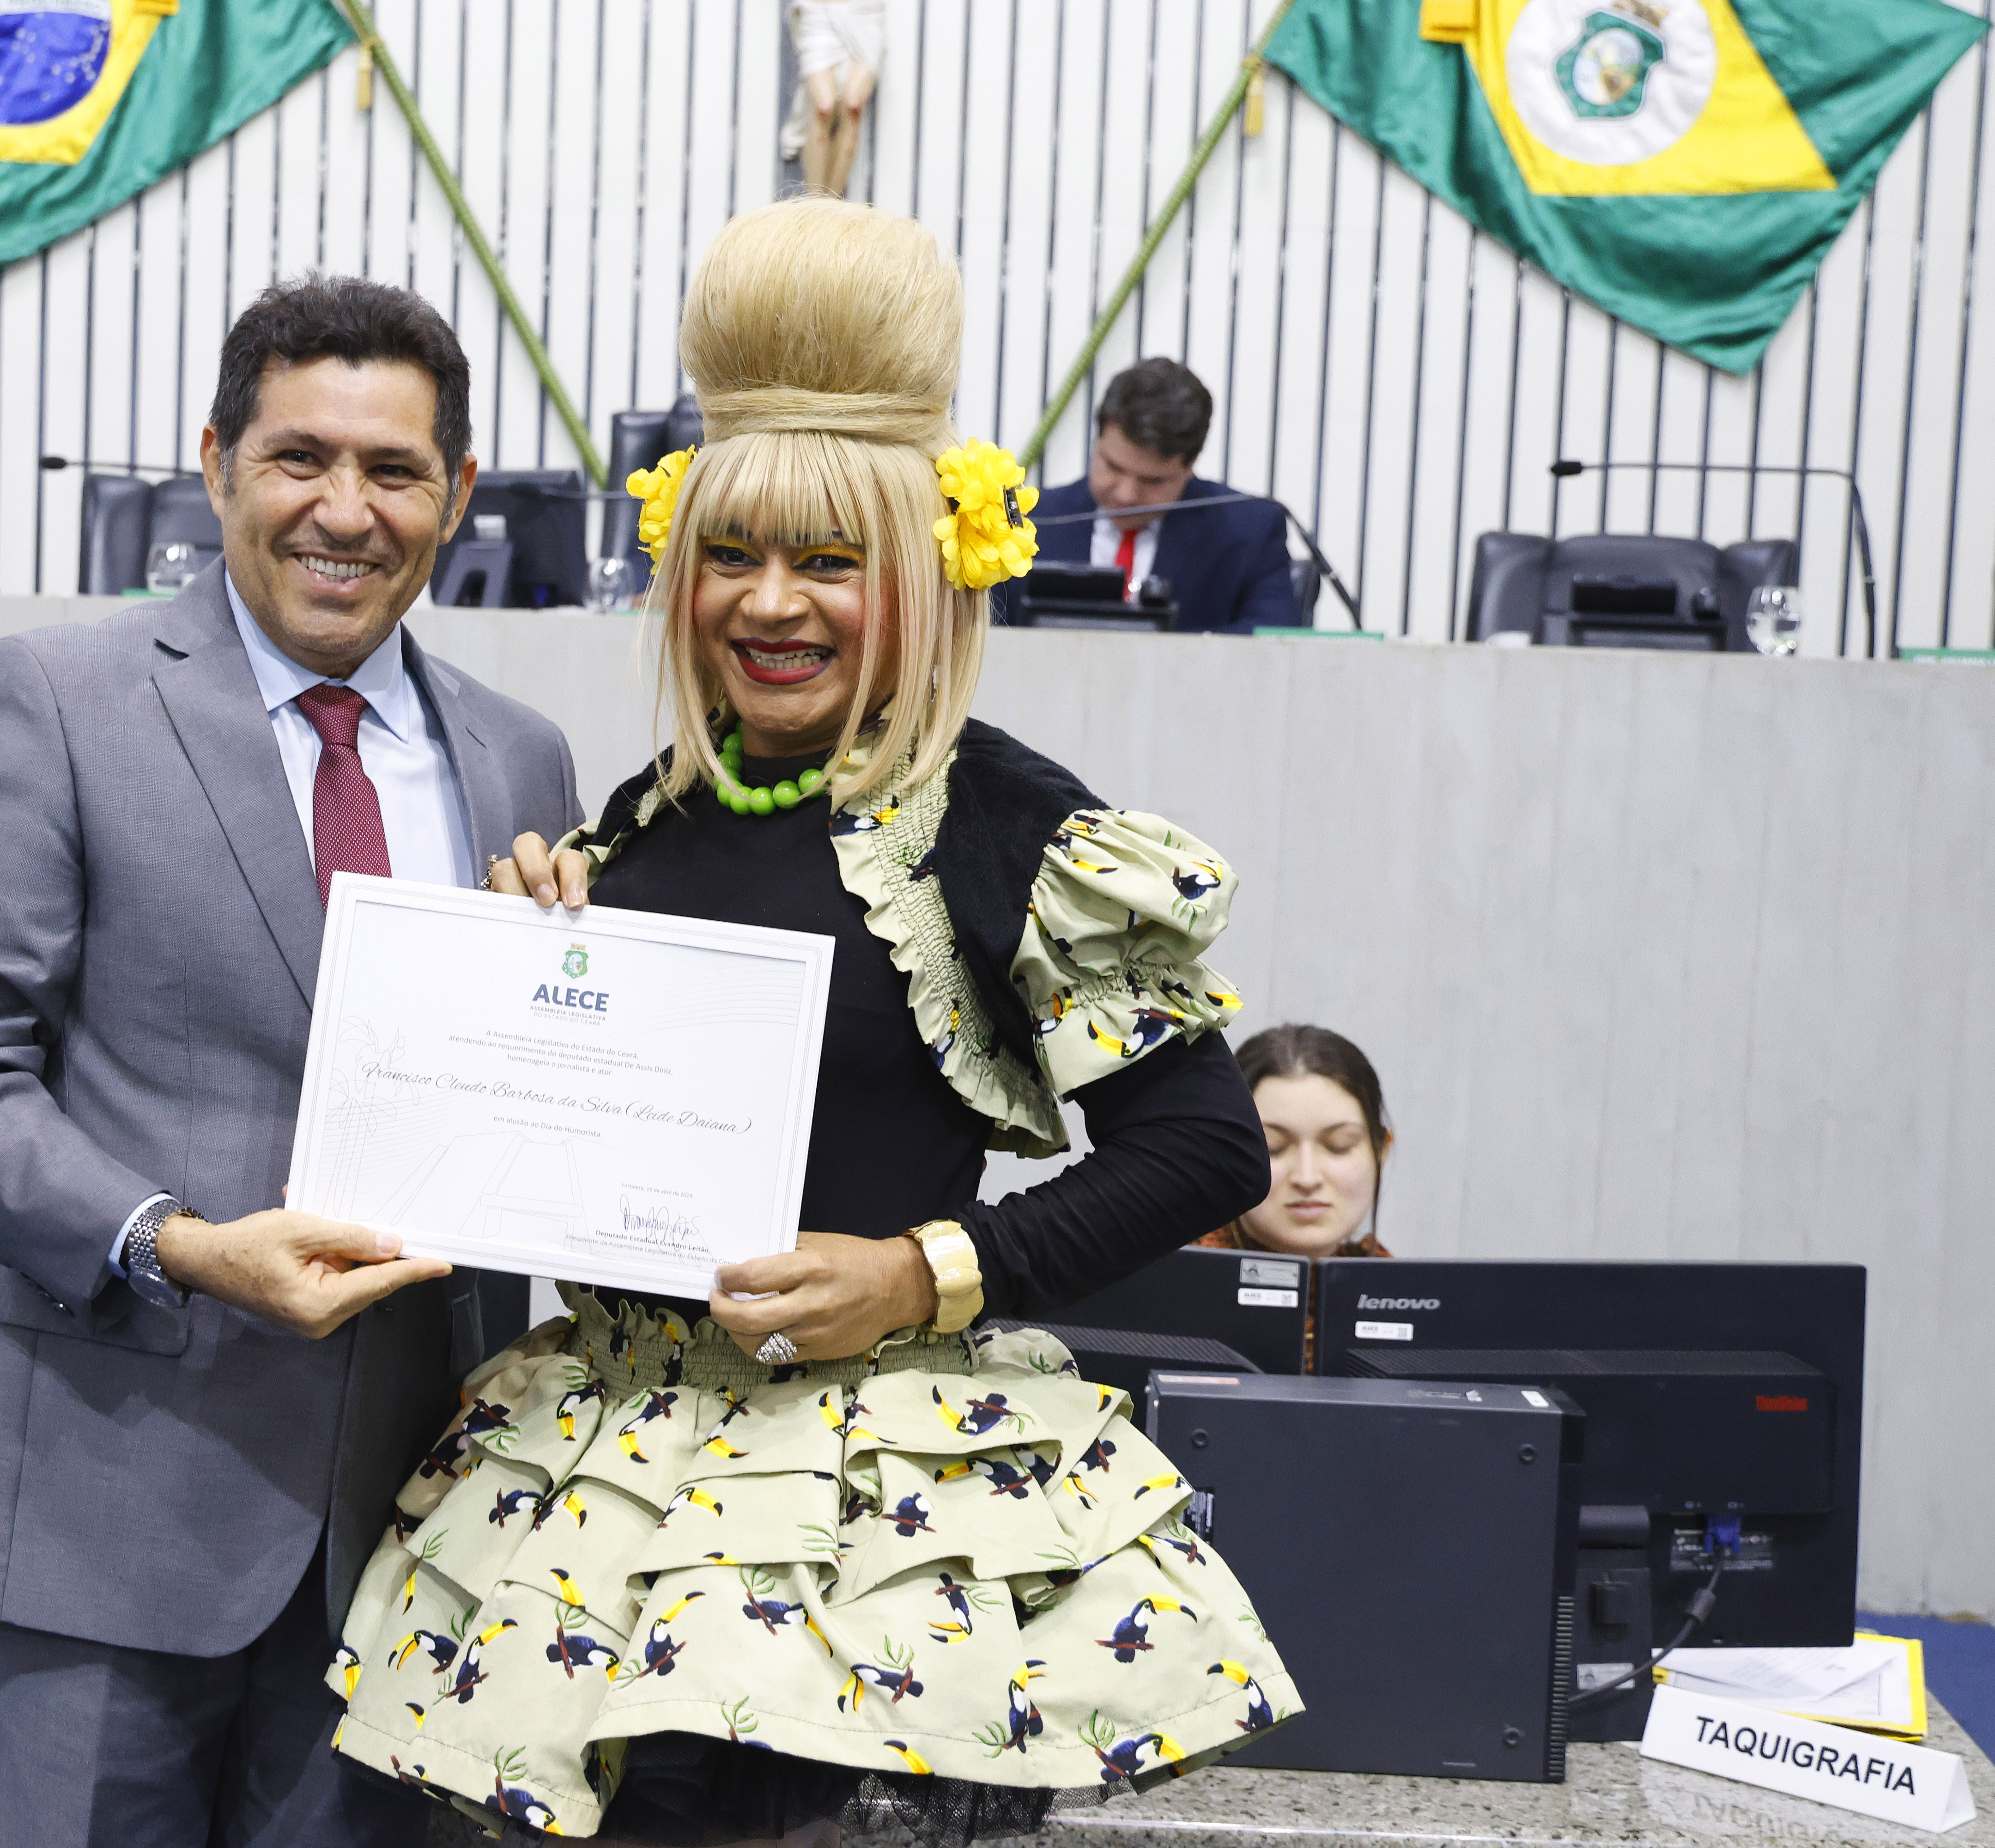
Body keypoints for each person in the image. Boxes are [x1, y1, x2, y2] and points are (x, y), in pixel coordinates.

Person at [325, 198, 1298, 1844]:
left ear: (919, 571)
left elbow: (1205, 1145)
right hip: (594, 1481)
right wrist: (531, 958)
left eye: (830, 562)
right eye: (733, 555)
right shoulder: (639, 816)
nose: (770, 603)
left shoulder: (998, 821)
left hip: (861, 1510)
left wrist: (922, 1271)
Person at [0, 275, 582, 1848]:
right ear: (216, 464)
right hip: (105, 1526)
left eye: (394, 470)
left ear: (459, 493)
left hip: (405, 1552)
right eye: (299, 458)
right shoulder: (56, 699)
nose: (347, 510)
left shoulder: (521, 758)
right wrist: (175, 1245)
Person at [1023, 358, 1299, 634]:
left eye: (1152, 481)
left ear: (1190, 466)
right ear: (1098, 443)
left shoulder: (1251, 530)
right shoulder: (1030, 519)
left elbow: (1274, 641)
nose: (1127, 496)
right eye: (1114, 468)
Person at [1199, 1024, 1393, 1259]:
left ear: (1381, 1153)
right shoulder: (1172, 1276)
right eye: (1272, 1148)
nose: (1307, 1179)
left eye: (1338, 1147)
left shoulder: (1398, 1280)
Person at [780, 2, 885, 199]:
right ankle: (814, 200)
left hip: (864, 13)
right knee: (824, 107)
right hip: (819, 11)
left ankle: (833, 202)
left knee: (854, 106)